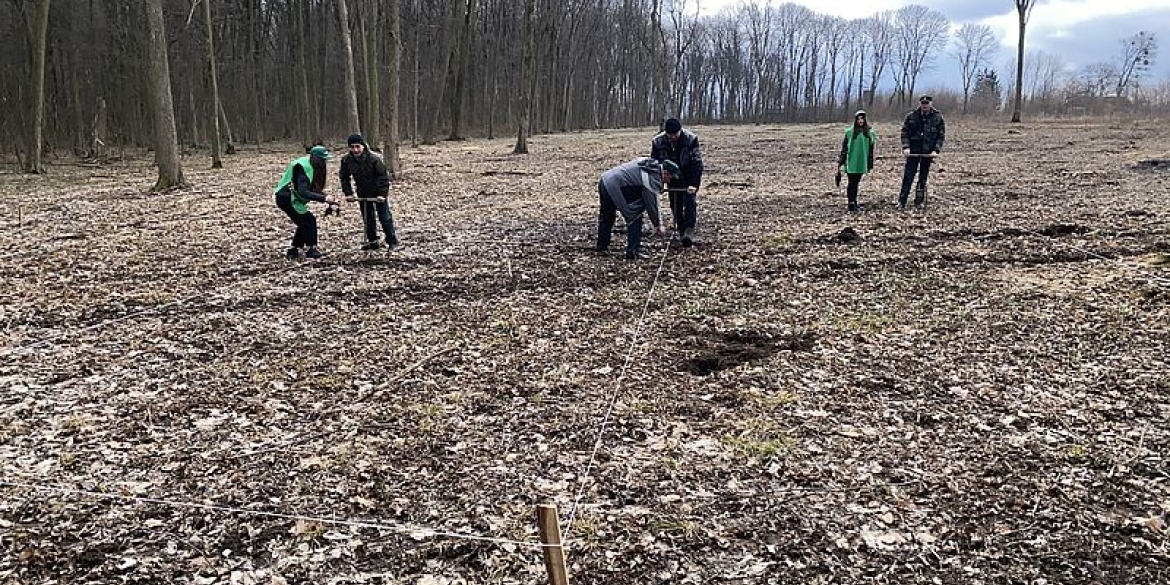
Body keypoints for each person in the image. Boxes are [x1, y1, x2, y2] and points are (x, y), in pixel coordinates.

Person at [596, 157, 674, 260]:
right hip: (616, 185)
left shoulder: (648, 163)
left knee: (607, 216)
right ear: (665, 173)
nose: (670, 181)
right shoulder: (651, 179)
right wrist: (658, 225)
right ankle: (632, 252)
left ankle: (602, 247)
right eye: (671, 177)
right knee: (634, 216)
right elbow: (652, 204)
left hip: (605, 180)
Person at [274, 145, 338, 259]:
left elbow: (310, 189)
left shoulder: (309, 165)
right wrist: (324, 198)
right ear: (317, 159)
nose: (325, 163)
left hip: (287, 197)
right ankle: (311, 249)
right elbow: (303, 192)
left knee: (304, 223)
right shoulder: (303, 168)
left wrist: (326, 197)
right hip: (287, 198)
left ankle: (294, 250)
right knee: (309, 220)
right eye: (323, 160)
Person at [339, 133, 399, 252]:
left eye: (357, 146)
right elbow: (344, 177)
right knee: (368, 218)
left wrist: (382, 194)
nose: (355, 150)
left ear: (363, 146)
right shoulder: (346, 160)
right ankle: (373, 242)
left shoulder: (374, 159)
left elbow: (383, 177)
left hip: (377, 192)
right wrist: (348, 193)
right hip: (362, 192)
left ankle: (392, 241)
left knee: (385, 217)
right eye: (352, 147)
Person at [650, 117, 704, 246]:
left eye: (676, 134)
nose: (673, 137)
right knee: (675, 204)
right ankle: (681, 229)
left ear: (680, 130)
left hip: (688, 175)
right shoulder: (658, 142)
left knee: (690, 202)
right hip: (670, 177)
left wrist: (694, 184)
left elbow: (697, 163)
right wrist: (659, 183)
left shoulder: (691, 139)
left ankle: (689, 230)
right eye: (670, 135)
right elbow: (654, 164)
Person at [898, 95, 946, 208]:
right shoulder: (911, 117)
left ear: (931, 104)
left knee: (923, 177)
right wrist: (906, 147)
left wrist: (936, 150)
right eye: (923, 103)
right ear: (920, 104)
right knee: (908, 176)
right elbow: (904, 133)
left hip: (928, 152)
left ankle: (919, 201)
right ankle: (902, 200)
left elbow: (941, 135)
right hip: (913, 151)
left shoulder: (937, 118)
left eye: (927, 103)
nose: (925, 105)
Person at [837, 110, 876, 212]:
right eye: (858, 119)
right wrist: (841, 161)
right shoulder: (850, 133)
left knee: (856, 182)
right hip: (851, 161)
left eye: (862, 118)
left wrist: (870, 163)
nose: (860, 121)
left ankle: (854, 201)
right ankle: (851, 202)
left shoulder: (869, 133)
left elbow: (871, 150)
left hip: (861, 162)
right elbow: (844, 148)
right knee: (852, 182)